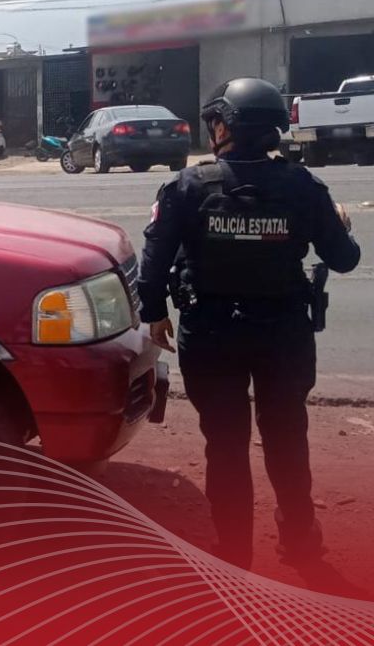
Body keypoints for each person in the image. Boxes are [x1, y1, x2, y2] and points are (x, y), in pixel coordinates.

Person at [138, 77, 361, 571]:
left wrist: (154, 315)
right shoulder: (303, 187)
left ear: (225, 127)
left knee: (225, 446)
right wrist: (341, 223)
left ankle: (234, 553)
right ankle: (300, 545)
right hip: (283, 335)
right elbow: (344, 259)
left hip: (210, 334)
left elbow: (152, 265)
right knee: (287, 440)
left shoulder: (187, 186)